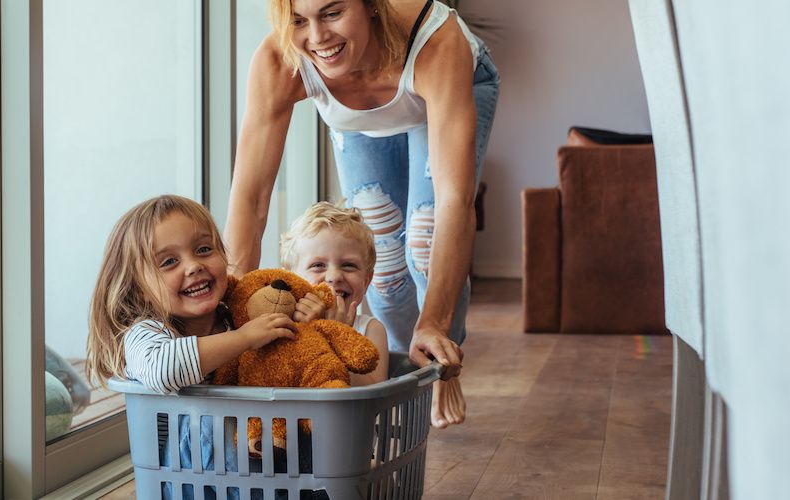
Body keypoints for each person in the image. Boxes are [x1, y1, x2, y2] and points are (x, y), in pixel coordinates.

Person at [224, 0, 500, 428]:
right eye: (299, 20)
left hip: (444, 84)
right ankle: (399, 374)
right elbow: (251, 197)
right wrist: (231, 313)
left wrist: (434, 325)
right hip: (363, 122)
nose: (317, 37)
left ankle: (440, 359)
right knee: (383, 269)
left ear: (371, 4)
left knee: (424, 238)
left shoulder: (434, 40)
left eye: (332, 13)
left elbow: (455, 203)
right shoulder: (281, 59)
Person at [88, 194, 300, 500]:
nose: (194, 266)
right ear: (141, 290)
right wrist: (245, 339)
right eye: (169, 262)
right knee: (208, 418)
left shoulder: (235, 319)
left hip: (256, 469)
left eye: (203, 249)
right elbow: (164, 370)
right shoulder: (146, 333)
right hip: (183, 484)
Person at [280, 201, 389, 386]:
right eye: (318, 265)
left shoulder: (370, 330)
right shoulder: (283, 323)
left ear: (366, 280)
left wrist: (334, 335)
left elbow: (373, 393)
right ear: (291, 278)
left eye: (348, 265)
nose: (334, 277)